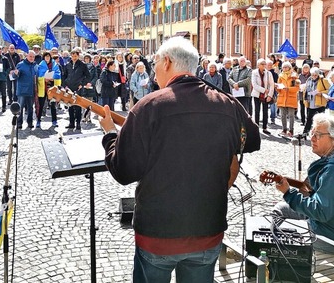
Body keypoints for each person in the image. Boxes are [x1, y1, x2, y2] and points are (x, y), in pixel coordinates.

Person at [99, 36, 260, 282]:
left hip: (158, 232)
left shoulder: (149, 106)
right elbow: (251, 140)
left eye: (155, 67)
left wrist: (111, 134)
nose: (153, 76)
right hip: (207, 227)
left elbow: (123, 171)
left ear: (167, 62)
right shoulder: (227, 104)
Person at [272, 113, 334, 251]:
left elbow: (321, 212)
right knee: (281, 208)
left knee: (280, 227)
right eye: (312, 133)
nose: (312, 138)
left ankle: (278, 255)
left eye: (318, 135)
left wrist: (289, 193)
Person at [63, 47, 90, 132]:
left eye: (75, 56)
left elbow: (88, 76)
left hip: (78, 88)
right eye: (72, 56)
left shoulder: (82, 65)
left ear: (78, 56)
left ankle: (78, 124)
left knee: (78, 106)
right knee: (70, 106)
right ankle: (71, 123)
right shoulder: (67, 65)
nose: (74, 57)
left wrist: (82, 84)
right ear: (71, 56)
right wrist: (65, 85)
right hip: (69, 88)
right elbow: (64, 76)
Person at [302, 67, 331, 135]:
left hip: (320, 103)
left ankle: (322, 133)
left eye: (315, 75)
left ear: (318, 74)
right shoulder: (309, 80)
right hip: (310, 102)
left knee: (321, 120)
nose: (314, 76)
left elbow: (329, 90)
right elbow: (307, 89)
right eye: (312, 75)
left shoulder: (324, 80)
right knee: (309, 119)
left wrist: (320, 93)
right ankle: (305, 133)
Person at [13, 50, 37, 129]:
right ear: (27, 56)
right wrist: (15, 73)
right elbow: (14, 76)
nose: (32, 58)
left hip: (31, 90)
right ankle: (19, 123)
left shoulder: (35, 65)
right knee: (20, 107)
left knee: (30, 108)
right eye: (30, 56)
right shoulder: (21, 64)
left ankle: (30, 122)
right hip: (22, 90)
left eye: (33, 57)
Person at [250, 58, 274, 135]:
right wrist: (264, 90)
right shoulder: (254, 72)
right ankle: (256, 127)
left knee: (265, 111)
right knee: (257, 111)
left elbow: (271, 85)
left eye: (265, 64)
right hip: (257, 95)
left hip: (266, 96)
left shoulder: (268, 73)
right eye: (262, 64)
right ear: (258, 65)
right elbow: (254, 85)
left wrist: (270, 95)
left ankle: (265, 127)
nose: (264, 65)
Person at [276, 61, 300, 137]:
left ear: (289, 67)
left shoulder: (294, 75)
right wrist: (277, 88)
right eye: (283, 67)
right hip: (282, 98)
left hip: (291, 98)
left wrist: (288, 89)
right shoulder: (280, 75)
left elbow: (297, 88)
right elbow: (279, 87)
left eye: (286, 67)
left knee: (291, 115)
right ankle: (284, 130)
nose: (284, 68)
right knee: (282, 115)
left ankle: (291, 130)